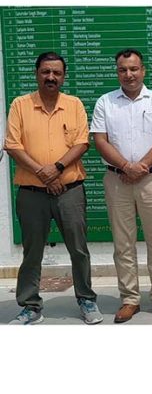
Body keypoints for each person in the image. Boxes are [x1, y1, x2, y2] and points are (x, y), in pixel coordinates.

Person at [4, 51, 103, 325]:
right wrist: (43, 173)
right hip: (31, 193)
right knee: (31, 251)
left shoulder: (74, 105)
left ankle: (86, 300)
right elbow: (12, 145)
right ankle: (30, 306)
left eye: (56, 73)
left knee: (79, 249)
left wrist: (56, 169)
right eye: (46, 72)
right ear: (37, 73)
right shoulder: (20, 105)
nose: (51, 77)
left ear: (63, 76)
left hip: (69, 190)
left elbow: (82, 142)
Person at [90, 48, 152, 323]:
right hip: (117, 180)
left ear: (143, 70)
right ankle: (129, 299)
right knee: (123, 244)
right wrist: (126, 167)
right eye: (123, 70)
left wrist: (141, 168)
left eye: (133, 69)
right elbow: (100, 140)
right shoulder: (105, 102)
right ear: (117, 72)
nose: (129, 74)